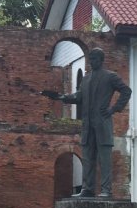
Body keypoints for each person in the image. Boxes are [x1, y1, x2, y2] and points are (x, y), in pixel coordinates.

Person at [42, 47, 132, 198]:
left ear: (101, 60)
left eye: (95, 59)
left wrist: (114, 108)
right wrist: (62, 97)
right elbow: (79, 97)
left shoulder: (110, 77)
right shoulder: (86, 79)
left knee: (104, 158)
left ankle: (106, 190)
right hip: (88, 124)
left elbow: (126, 91)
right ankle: (88, 188)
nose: (92, 62)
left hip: (102, 123)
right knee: (88, 157)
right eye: (90, 59)